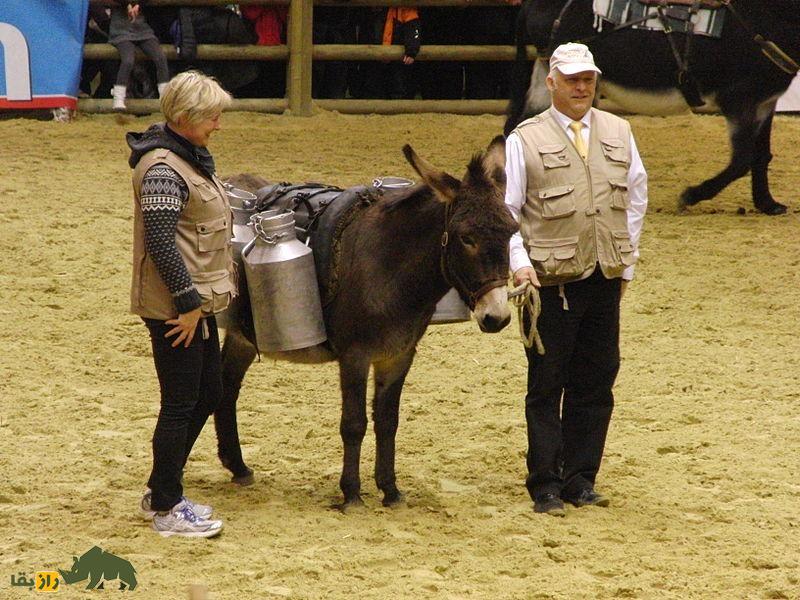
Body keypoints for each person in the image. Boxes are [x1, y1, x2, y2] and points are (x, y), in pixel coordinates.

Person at [504, 43, 648, 517]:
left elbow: (636, 200)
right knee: (547, 382)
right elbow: (508, 214)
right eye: (571, 79)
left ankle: (581, 479)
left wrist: (626, 263)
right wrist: (519, 263)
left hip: (604, 275)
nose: (581, 87)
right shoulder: (524, 138)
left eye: (587, 79)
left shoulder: (620, 132)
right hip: (549, 282)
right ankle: (544, 483)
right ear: (551, 83)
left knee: (597, 379)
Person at [127, 70, 235, 537]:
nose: (217, 124)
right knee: (179, 403)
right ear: (186, 117)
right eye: (211, 116)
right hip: (177, 309)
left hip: (196, 304)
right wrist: (188, 305)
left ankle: (161, 487)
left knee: (207, 393)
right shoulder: (164, 170)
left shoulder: (188, 158)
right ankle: (168, 506)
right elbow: (162, 243)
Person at [109, 0, 170, 110]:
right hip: (120, 30)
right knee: (128, 60)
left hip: (142, 29)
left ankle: (165, 97)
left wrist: (139, 4)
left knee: (160, 58)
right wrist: (126, 4)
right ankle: (119, 97)